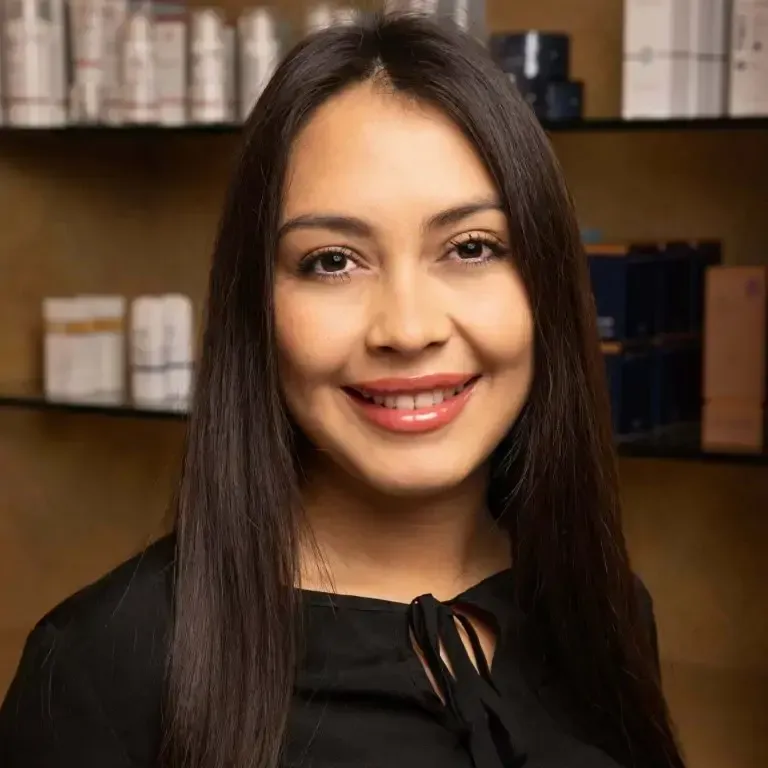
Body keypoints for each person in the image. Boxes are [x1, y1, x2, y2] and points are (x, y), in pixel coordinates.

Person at [0, 14, 685, 768]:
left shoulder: (605, 608)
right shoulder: (104, 669)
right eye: (332, 261)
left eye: (471, 248)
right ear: (256, 307)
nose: (408, 327)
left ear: (548, 285)